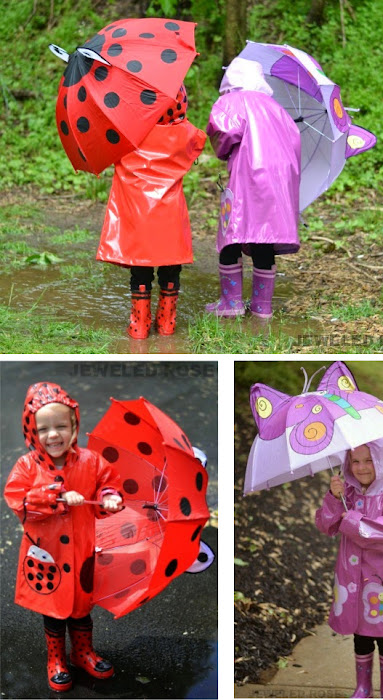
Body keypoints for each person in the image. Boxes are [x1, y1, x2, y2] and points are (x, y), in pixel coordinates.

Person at [4, 382, 124, 693]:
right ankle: (55, 658)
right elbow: (19, 501)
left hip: (81, 551)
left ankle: (82, 652)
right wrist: (55, 496)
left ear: (74, 426)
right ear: (31, 432)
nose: (53, 435)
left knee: (82, 608)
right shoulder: (27, 466)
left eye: (61, 426)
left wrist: (110, 497)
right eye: (43, 429)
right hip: (47, 557)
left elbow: (106, 485)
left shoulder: (91, 462)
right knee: (54, 611)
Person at [96, 85, 206, 338]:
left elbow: (106, 146)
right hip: (170, 213)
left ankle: (139, 326)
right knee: (171, 267)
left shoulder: (127, 133)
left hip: (137, 215)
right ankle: (167, 323)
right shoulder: (186, 132)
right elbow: (196, 145)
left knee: (141, 269)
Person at [315, 443, 383, 699]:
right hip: (351, 578)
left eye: (368, 460)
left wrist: (352, 521)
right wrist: (333, 498)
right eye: (355, 461)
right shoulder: (345, 493)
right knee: (360, 632)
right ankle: (363, 686)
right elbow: (326, 525)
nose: (361, 467)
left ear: (381, 460)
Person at [205, 57, 301, 318]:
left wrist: (223, 152)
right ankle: (262, 306)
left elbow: (223, 132)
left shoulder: (232, 102)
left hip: (247, 178)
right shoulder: (277, 109)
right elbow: (293, 142)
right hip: (278, 181)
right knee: (265, 238)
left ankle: (231, 303)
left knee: (231, 237)